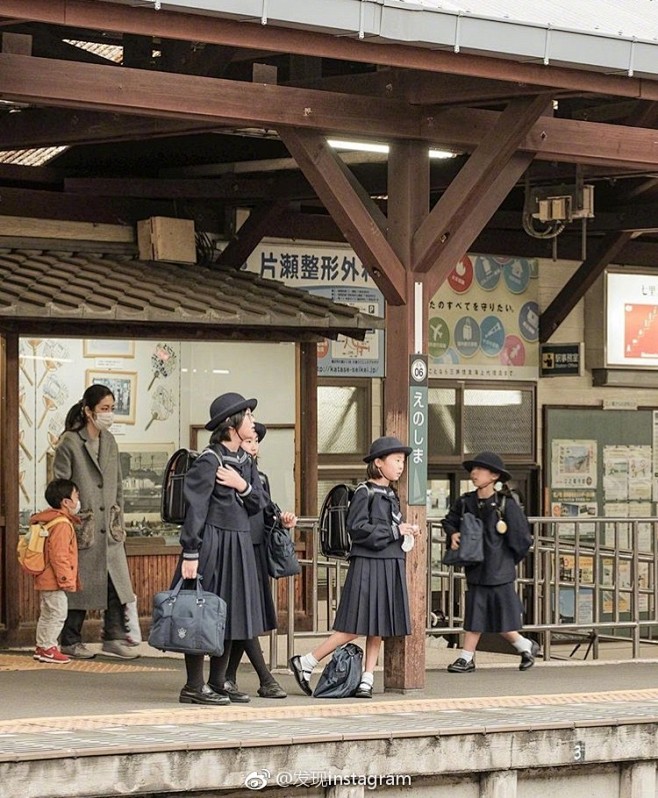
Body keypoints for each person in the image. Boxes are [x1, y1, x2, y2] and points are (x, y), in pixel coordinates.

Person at [289, 436, 421, 699]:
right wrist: (396, 530)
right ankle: (307, 661)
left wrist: (406, 532)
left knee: (379, 625)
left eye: (402, 462)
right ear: (378, 462)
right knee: (353, 626)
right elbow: (357, 529)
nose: (400, 466)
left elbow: (387, 530)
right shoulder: (364, 491)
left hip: (390, 562)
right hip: (369, 563)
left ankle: (367, 678)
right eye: (396, 460)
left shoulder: (391, 494)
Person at [175, 392, 268, 706]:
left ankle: (218, 681)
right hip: (212, 542)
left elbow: (259, 504)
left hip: (239, 541)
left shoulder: (245, 460)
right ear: (232, 424)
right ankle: (193, 685)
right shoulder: (209, 459)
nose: (253, 422)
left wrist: (242, 485)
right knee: (202, 612)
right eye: (248, 416)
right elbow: (196, 508)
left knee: (229, 613)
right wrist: (190, 552)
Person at [53, 384, 138, 660]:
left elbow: (119, 484)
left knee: (114, 583)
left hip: (109, 526)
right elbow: (59, 485)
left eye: (112, 408)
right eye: (104, 409)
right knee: (80, 584)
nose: (109, 414)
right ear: (89, 411)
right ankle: (70, 639)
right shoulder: (70, 442)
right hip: (83, 524)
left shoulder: (110, 440)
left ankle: (113, 636)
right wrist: (73, 510)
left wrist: (119, 517)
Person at [442, 451, 537, 674]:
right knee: (479, 615)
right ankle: (522, 647)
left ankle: (469, 658)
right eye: (473, 469)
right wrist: (453, 533)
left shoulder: (506, 504)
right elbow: (449, 521)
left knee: (500, 618)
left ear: (494, 476)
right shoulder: (465, 502)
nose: (474, 473)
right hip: (476, 568)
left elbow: (522, 538)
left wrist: (507, 560)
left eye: (480, 469)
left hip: (499, 570)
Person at [223, 422, 296, 700]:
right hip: (235, 550)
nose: (253, 446)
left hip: (255, 550)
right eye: (249, 441)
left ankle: (228, 677)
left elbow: (267, 512)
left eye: (256, 442)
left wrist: (283, 521)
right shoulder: (228, 473)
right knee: (244, 614)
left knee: (245, 615)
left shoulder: (260, 478)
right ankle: (265, 678)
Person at [31, 478, 81, 664]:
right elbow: (59, 555)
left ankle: (42, 646)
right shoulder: (62, 524)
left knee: (48, 613)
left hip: (45, 576)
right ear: (65, 501)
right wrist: (66, 579)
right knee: (58, 613)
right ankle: (48, 648)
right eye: (76, 495)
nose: (78, 500)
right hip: (55, 579)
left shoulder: (49, 520)